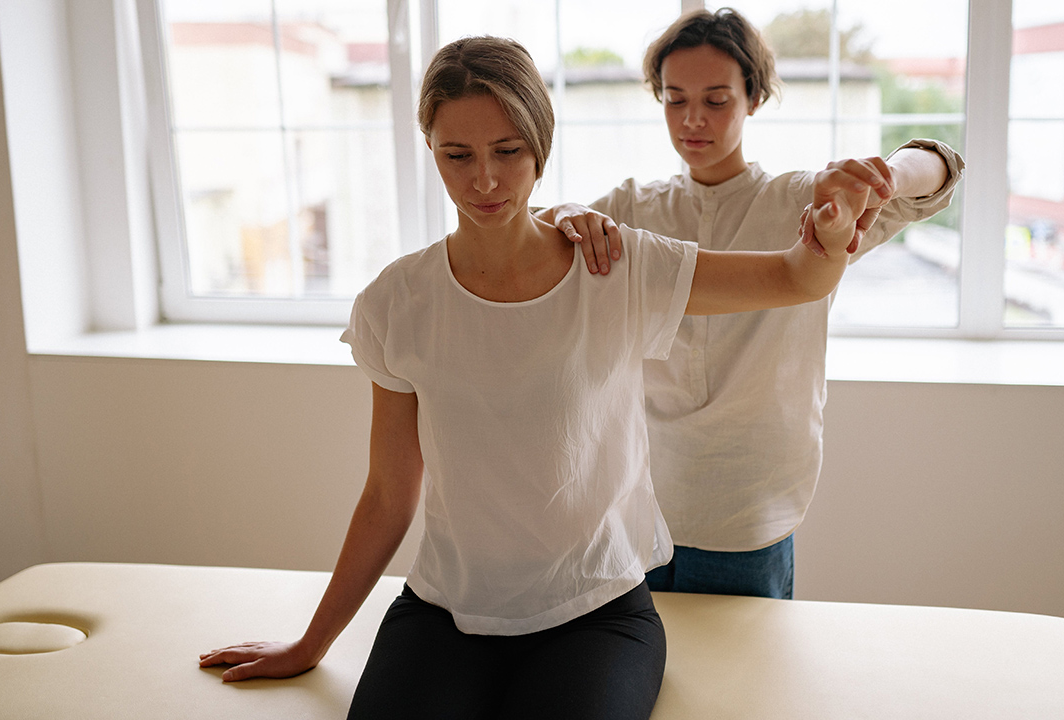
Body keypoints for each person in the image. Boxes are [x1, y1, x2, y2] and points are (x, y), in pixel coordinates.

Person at [199, 36, 871, 720]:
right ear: (430, 148)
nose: (483, 180)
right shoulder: (396, 302)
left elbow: (795, 277)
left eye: (507, 151)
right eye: (457, 155)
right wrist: (312, 642)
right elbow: (387, 493)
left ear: (540, 146)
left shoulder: (615, 267)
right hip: (444, 613)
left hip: (598, 615)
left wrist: (834, 227)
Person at [535, 7, 965, 601]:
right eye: (673, 98)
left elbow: (942, 167)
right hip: (640, 504)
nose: (692, 119)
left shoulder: (810, 203)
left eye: (716, 100)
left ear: (753, 98)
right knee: (645, 680)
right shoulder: (633, 208)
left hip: (750, 507)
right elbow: (535, 236)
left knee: (748, 686)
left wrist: (879, 176)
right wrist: (561, 214)